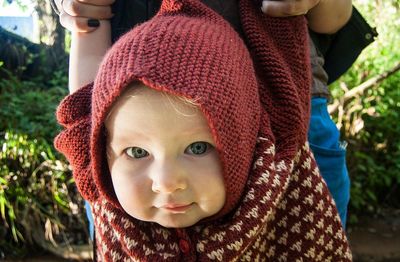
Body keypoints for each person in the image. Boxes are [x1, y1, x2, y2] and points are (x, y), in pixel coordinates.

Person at [54, 0, 352, 260]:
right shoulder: (101, 174)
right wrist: (87, 14)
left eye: (197, 148)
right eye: (136, 152)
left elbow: (335, 17)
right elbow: (86, 108)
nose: (166, 183)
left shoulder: (282, 176)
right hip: (123, 92)